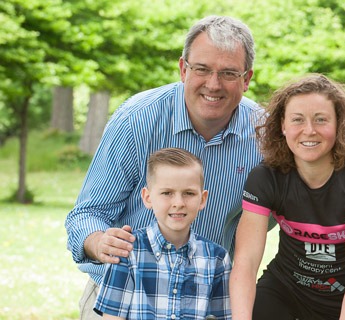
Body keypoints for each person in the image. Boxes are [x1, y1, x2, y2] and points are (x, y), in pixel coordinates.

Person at [65, 15, 262, 319]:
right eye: (202, 69)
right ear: (184, 69)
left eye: (228, 73)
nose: (213, 84)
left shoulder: (264, 136)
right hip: (124, 296)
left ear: (247, 79)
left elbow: (266, 219)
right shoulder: (136, 119)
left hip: (205, 301)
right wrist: (99, 242)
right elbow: (86, 214)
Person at [229, 74, 345, 320]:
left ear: (339, 123)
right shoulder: (266, 177)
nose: (309, 131)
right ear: (282, 125)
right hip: (285, 287)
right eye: (297, 120)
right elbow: (245, 263)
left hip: (342, 296)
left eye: (321, 119)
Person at [93, 148, 231, 320]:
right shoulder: (127, 252)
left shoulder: (217, 259)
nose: (178, 203)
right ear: (148, 197)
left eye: (189, 193)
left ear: (202, 199)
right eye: (167, 193)